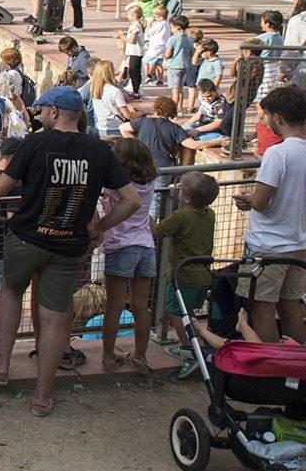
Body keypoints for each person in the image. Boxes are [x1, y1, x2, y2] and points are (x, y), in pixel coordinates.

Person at [0, 86, 139, 417]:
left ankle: (3, 367)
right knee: (54, 316)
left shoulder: (34, 142)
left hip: (27, 238)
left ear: (53, 112)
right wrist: (99, 227)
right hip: (69, 244)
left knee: (10, 294)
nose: (39, 116)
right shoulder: (99, 149)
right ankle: (43, 395)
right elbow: (132, 201)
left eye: (41, 111)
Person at [233, 84, 306, 343]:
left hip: (269, 246)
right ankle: (296, 363)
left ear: (278, 117)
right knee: (290, 308)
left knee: (262, 309)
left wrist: (247, 199)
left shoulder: (278, 153)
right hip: (299, 244)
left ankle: (271, 363)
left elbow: (261, 201)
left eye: (265, 116)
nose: (263, 121)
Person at [96, 137, 159, 373]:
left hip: (121, 246)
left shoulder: (115, 186)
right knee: (141, 306)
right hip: (146, 247)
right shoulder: (151, 182)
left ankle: (108, 356)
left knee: (114, 306)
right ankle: (140, 357)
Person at [152, 171, 219, 379]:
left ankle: (190, 351)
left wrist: (143, 214)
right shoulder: (210, 214)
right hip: (203, 276)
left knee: (175, 312)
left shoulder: (181, 216)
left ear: (187, 199)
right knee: (188, 313)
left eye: (180, 188)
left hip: (183, 277)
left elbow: (157, 231)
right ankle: (194, 345)